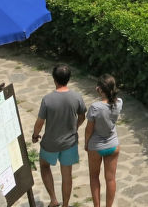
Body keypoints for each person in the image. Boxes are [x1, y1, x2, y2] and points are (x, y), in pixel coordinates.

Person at [32, 64, 87, 207]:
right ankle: (65, 204)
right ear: (68, 79)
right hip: (70, 143)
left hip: (50, 143)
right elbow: (82, 116)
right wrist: (75, 127)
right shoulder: (77, 97)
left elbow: (39, 123)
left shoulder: (47, 99)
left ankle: (53, 199)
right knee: (67, 175)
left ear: (54, 79)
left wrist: (35, 135)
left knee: (44, 166)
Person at [85, 75, 123, 207]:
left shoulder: (95, 107)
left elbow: (88, 130)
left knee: (94, 177)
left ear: (100, 89)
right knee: (111, 179)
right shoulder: (119, 103)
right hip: (113, 145)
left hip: (96, 147)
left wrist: (86, 144)